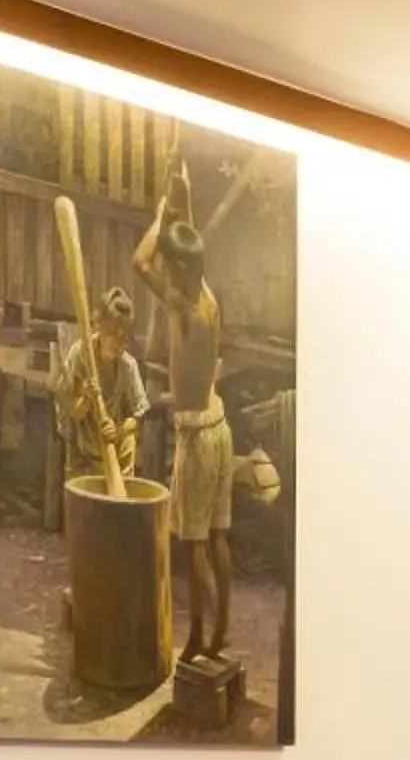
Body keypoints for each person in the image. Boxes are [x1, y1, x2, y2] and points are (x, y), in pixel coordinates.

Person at [134, 161, 278, 662]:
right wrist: (184, 200)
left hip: (198, 436)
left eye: (172, 266)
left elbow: (140, 261)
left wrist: (157, 216)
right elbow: (186, 244)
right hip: (220, 427)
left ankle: (197, 636)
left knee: (193, 542)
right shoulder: (207, 293)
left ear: (177, 270)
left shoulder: (182, 307)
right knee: (218, 534)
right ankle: (222, 631)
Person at [54, 287, 145, 485]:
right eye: (112, 333)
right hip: (83, 453)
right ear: (99, 328)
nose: (118, 342)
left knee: (129, 441)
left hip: (114, 449)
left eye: (124, 337)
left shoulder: (128, 366)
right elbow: (71, 414)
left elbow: (138, 417)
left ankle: (121, 494)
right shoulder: (80, 355)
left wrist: (119, 430)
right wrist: (86, 398)